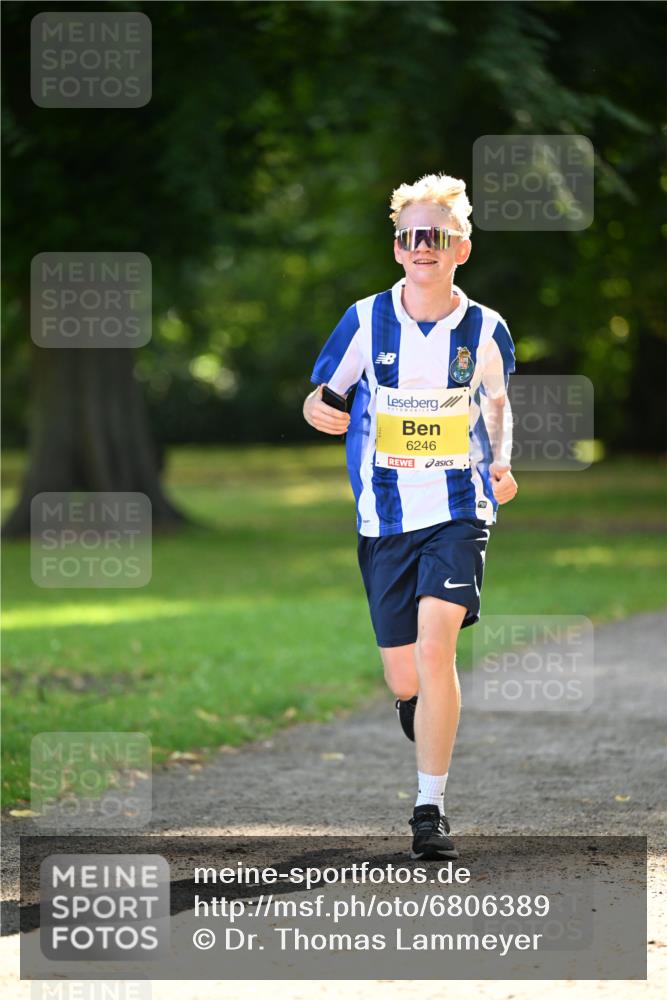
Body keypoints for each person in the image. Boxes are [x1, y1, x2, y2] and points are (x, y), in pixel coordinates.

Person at [303, 173, 517, 859]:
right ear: (397, 248)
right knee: (406, 677)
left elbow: (495, 403)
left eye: (437, 236)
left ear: (461, 248)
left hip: (458, 509)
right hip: (384, 519)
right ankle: (414, 708)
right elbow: (324, 394)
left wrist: (501, 463)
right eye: (411, 236)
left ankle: (430, 810)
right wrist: (316, 410)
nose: (423, 246)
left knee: (435, 649)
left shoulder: (485, 329)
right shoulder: (365, 319)